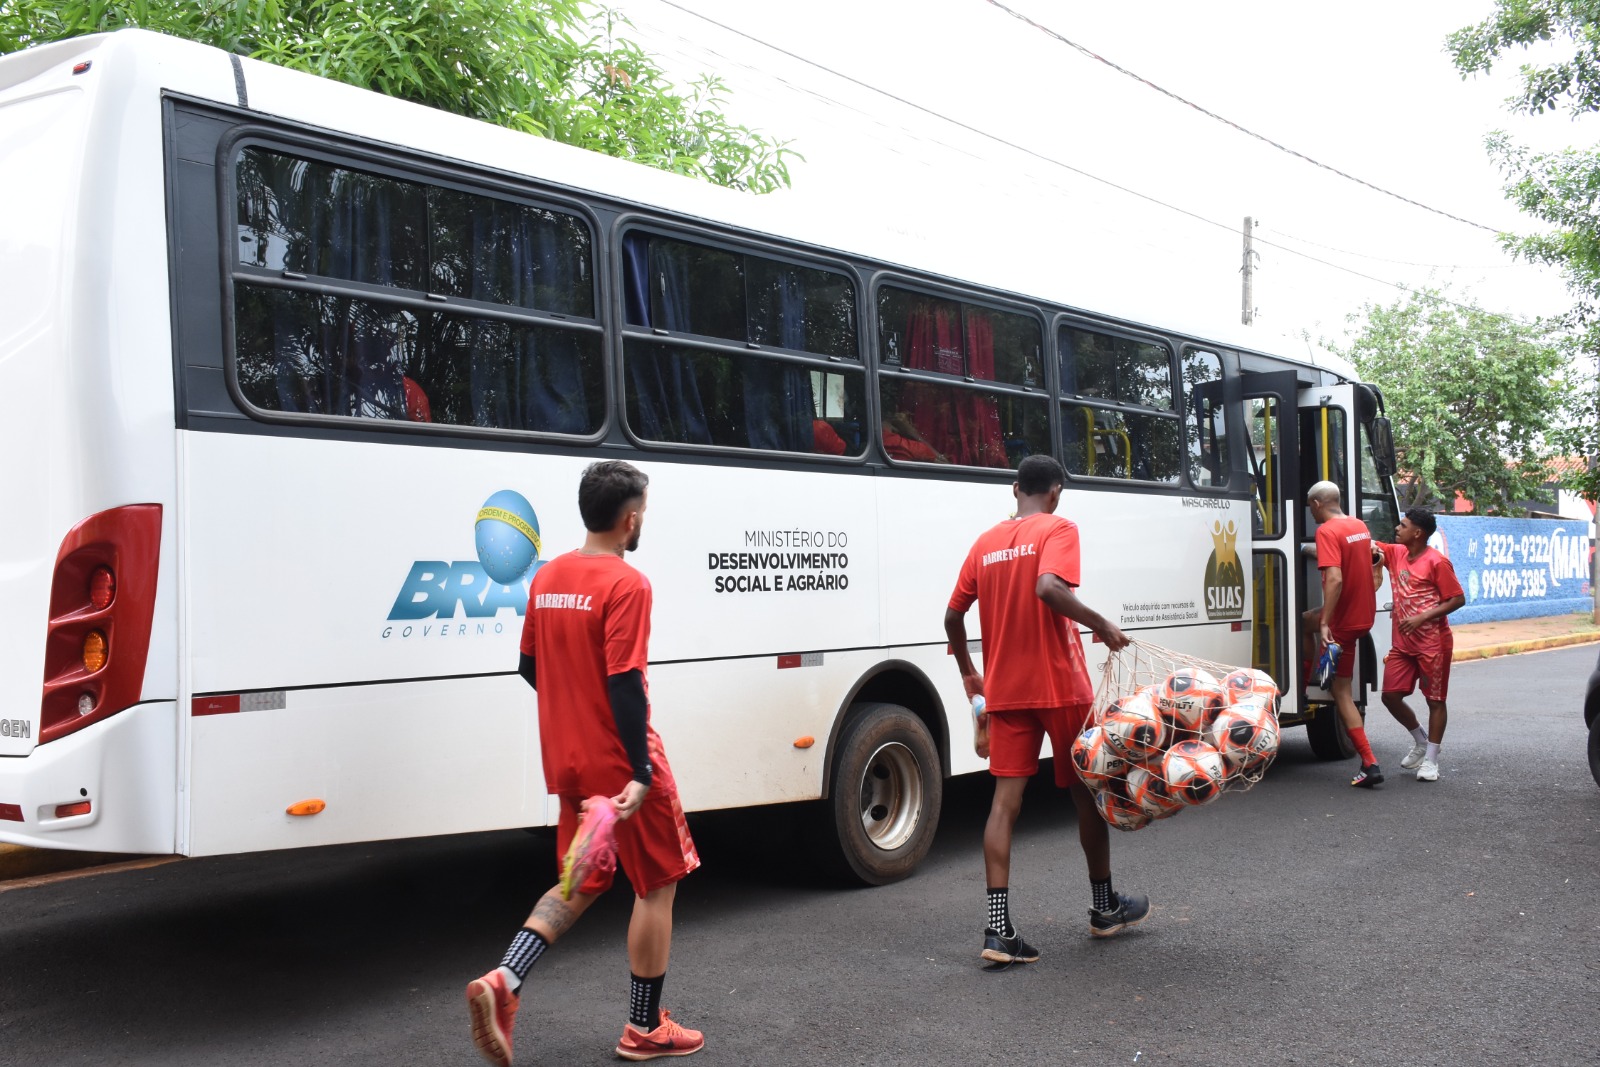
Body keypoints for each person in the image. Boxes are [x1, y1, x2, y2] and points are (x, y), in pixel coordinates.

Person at [466, 460, 703, 1066]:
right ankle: (644, 1027)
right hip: (621, 764)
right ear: (629, 520)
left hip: (567, 763)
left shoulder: (549, 577)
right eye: (643, 512)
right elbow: (626, 681)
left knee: (584, 879)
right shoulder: (629, 583)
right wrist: (641, 773)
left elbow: (529, 667)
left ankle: (504, 981)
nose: (642, 521)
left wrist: (573, 710)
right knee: (659, 884)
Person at [943, 454, 1145, 966]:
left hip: (1007, 691)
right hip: (1061, 686)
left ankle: (998, 931)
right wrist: (1101, 624)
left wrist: (970, 671)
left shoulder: (985, 542)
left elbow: (952, 614)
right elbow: (1049, 588)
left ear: (1015, 489)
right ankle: (1103, 909)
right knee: (1084, 795)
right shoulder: (1060, 526)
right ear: (1055, 491)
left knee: (1003, 805)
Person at [1372, 509, 1464, 782]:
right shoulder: (1397, 553)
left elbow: (1457, 599)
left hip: (1433, 643)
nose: (1397, 529)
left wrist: (1422, 617)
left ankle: (1432, 761)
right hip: (1402, 644)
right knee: (1390, 695)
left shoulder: (1437, 562)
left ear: (1418, 533)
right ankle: (1421, 741)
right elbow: (1368, 544)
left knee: (1435, 701)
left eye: (1403, 525)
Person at [1303, 480, 1383, 787]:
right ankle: (1314, 675)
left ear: (1317, 504)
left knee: (1341, 693)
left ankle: (1370, 762)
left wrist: (1327, 622)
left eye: (1311, 505)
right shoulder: (1359, 525)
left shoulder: (1326, 531)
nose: (1311, 511)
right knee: (1307, 623)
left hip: (1343, 623)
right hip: (1363, 618)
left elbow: (1334, 578)